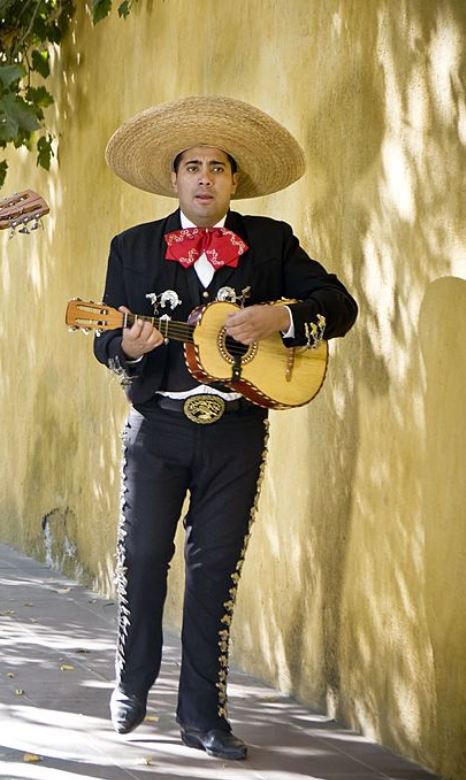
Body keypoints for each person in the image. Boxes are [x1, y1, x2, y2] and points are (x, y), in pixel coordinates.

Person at [94, 96, 357, 760]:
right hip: (157, 427)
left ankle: (204, 716)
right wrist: (128, 345)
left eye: (217, 166)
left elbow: (340, 306)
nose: (205, 177)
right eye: (192, 166)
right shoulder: (132, 248)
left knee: (215, 572)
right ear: (174, 178)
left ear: (234, 180)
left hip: (237, 431)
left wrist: (281, 317)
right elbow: (104, 344)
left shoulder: (270, 242)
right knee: (146, 560)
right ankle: (131, 682)